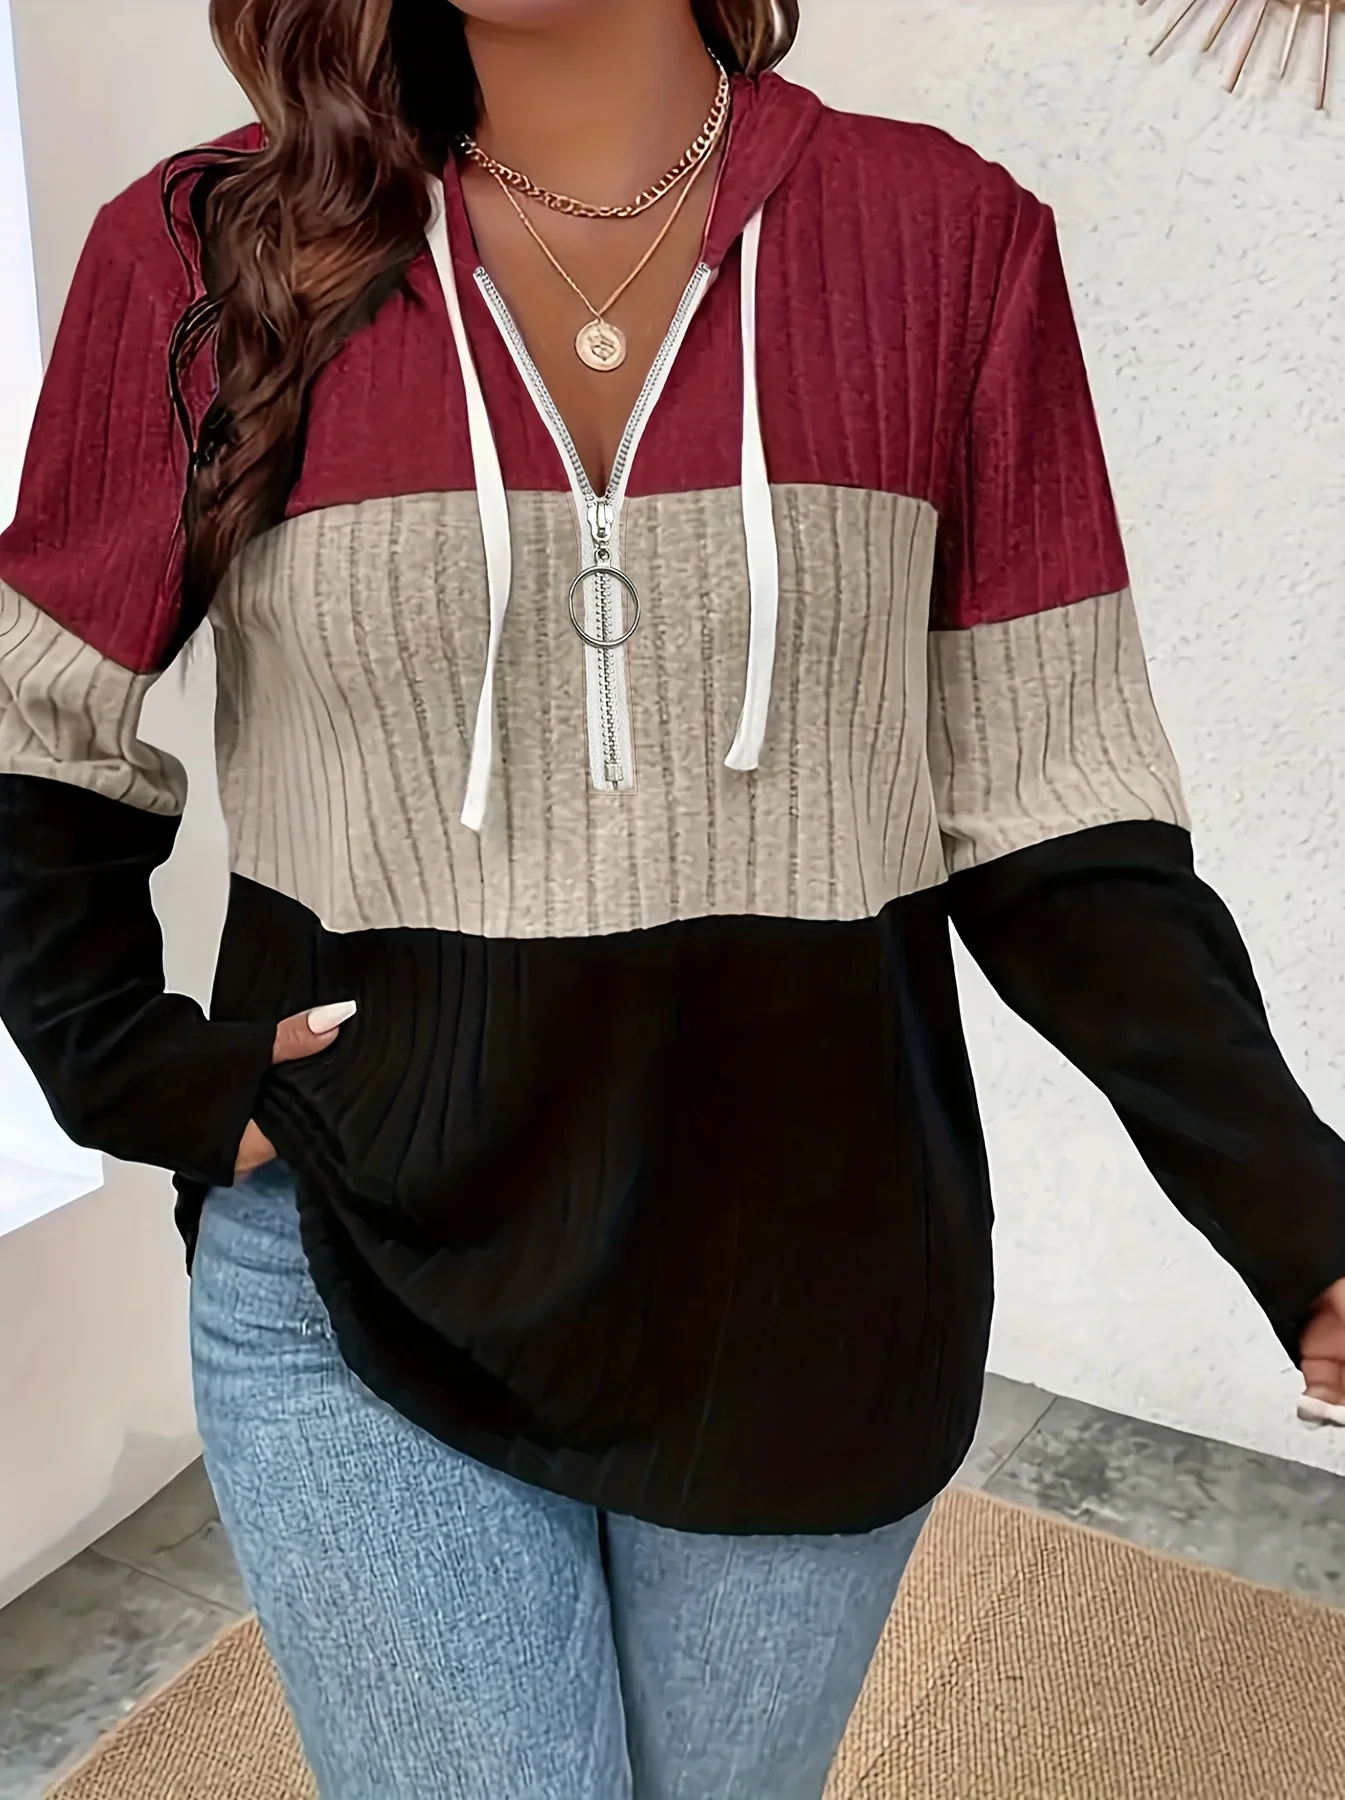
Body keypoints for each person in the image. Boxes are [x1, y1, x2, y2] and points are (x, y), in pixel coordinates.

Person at [1, 0, 1342, 1793]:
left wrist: (1292, 1207)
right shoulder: (210, 250)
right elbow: (33, 724)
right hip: (359, 1262)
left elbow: (1057, 811)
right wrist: (131, 1067)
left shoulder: (949, 242)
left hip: (813, 1297)